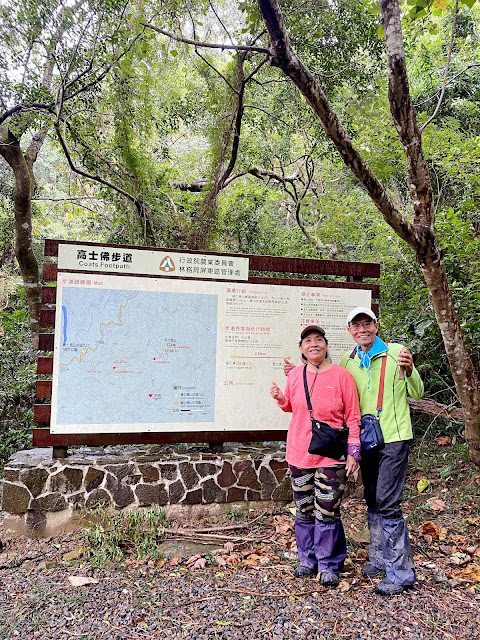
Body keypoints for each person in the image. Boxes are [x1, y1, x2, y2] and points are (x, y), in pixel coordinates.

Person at [339, 306, 424, 596]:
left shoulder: (397, 352)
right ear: (349, 330)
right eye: (356, 325)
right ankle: (378, 558)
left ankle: (401, 573)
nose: (362, 329)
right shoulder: (348, 362)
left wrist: (411, 371)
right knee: (373, 499)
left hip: (394, 437)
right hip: (366, 440)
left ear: (376, 325)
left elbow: (418, 392)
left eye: (367, 323)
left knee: (388, 502)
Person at [271, 325, 361, 586]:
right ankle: (307, 560)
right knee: (304, 509)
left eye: (319, 340)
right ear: (301, 348)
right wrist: (280, 398)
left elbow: (353, 416)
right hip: (299, 453)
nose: (314, 344)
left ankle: (328, 563)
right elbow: (291, 406)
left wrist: (353, 450)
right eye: (308, 341)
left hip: (332, 455)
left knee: (328, 509)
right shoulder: (296, 375)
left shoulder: (343, 376)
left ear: (326, 345)